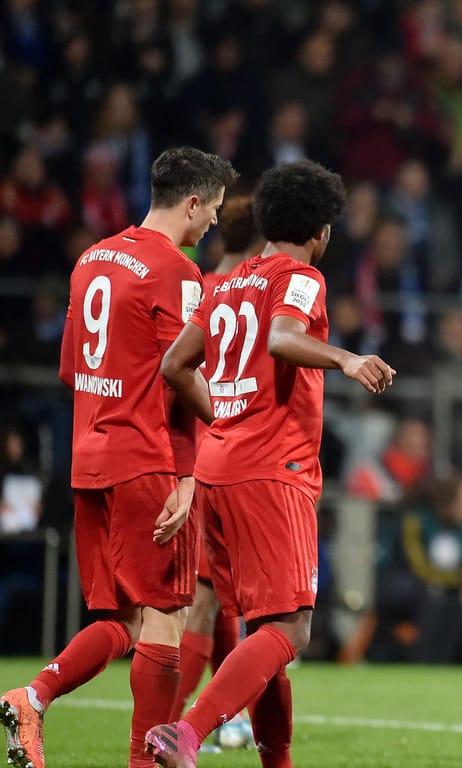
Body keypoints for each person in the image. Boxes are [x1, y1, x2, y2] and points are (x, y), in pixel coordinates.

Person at [145, 160, 395, 768]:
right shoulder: (302, 276)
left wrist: (223, 419)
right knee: (293, 630)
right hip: (270, 471)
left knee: (264, 636)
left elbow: (175, 366)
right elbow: (283, 338)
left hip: (218, 468)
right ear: (323, 231)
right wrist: (347, 358)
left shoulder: (226, 282)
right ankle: (187, 731)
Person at [0, 147, 236, 768]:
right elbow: (180, 375)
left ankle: (33, 695)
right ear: (191, 202)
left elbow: (71, 368)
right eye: (211, 209)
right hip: (147, 461)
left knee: (120, 623)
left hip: (90, 459)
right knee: (165, 622)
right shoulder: (179, 273)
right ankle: (143, 763)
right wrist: (189, 471)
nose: (212, 222)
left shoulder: (91, 260)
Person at [171, 196, 260, 735]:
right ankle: (173, 723)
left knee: (227, 598)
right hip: (232, 450)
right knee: (212, 602)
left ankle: (233, 718)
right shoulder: (252, 289)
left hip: (202, 450)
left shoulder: (199, 287)